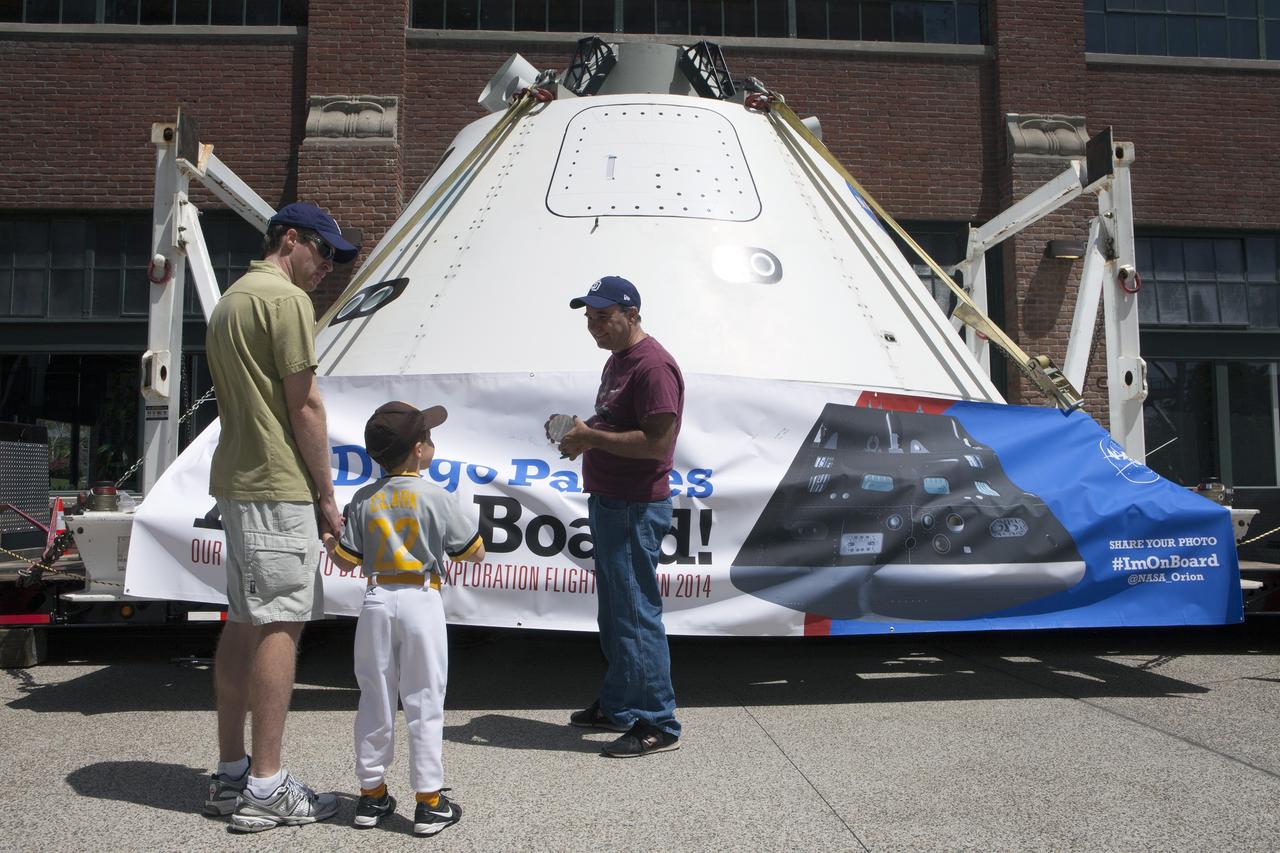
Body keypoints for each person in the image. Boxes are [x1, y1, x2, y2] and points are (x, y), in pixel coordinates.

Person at [202, 202, 359, 832]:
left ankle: (232, 773)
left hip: (237, 482)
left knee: (243, 622)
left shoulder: (231, 300)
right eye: (322, 252)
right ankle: (266, 786)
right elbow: (306, 407)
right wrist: (326, 494)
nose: (326, 267)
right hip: (277, 484)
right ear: (289, 239)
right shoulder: (286, 302)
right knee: (280, 625)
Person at [323, 401, 485, 836]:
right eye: (428, 438)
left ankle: (371, 795)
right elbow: (473, 551)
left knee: (374, 696)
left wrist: (327, 540)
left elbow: (345, 561)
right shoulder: (438, 496)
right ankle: (429, 802)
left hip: (376, 600)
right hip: (421, 597)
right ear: (418, 450)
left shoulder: (363, 498)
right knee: (424, 699)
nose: (432, 444)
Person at [552, 275, 684, 758]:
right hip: (611, 500)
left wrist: (592, 439)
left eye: (603, 318)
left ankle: (658, 722)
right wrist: (582, 436)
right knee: (615, 612)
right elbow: (616, 424)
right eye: (589, 319)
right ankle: (620, 704)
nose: (594, 328)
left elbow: (657, 444)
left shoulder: (653, 367)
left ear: (632, 314)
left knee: (634, 613)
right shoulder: (619, 360)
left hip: (633, 506)